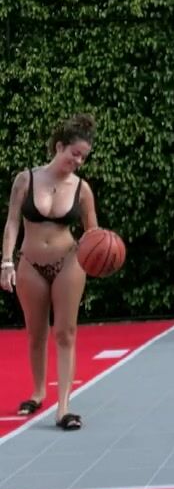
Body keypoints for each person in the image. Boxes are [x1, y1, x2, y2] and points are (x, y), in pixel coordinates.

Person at [0, 113, 99, 430]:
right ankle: (38, 392)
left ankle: (64, 408)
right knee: (35, 333)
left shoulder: (82, 189)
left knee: (66, 333)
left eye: (83, 157)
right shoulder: (25, 180)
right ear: (59, 146)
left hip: (68, 261)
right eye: (75, 154)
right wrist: (6, 262)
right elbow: (12, 222)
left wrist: (100, 256)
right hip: (30, 262)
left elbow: (93, 234)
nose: (78, 161)